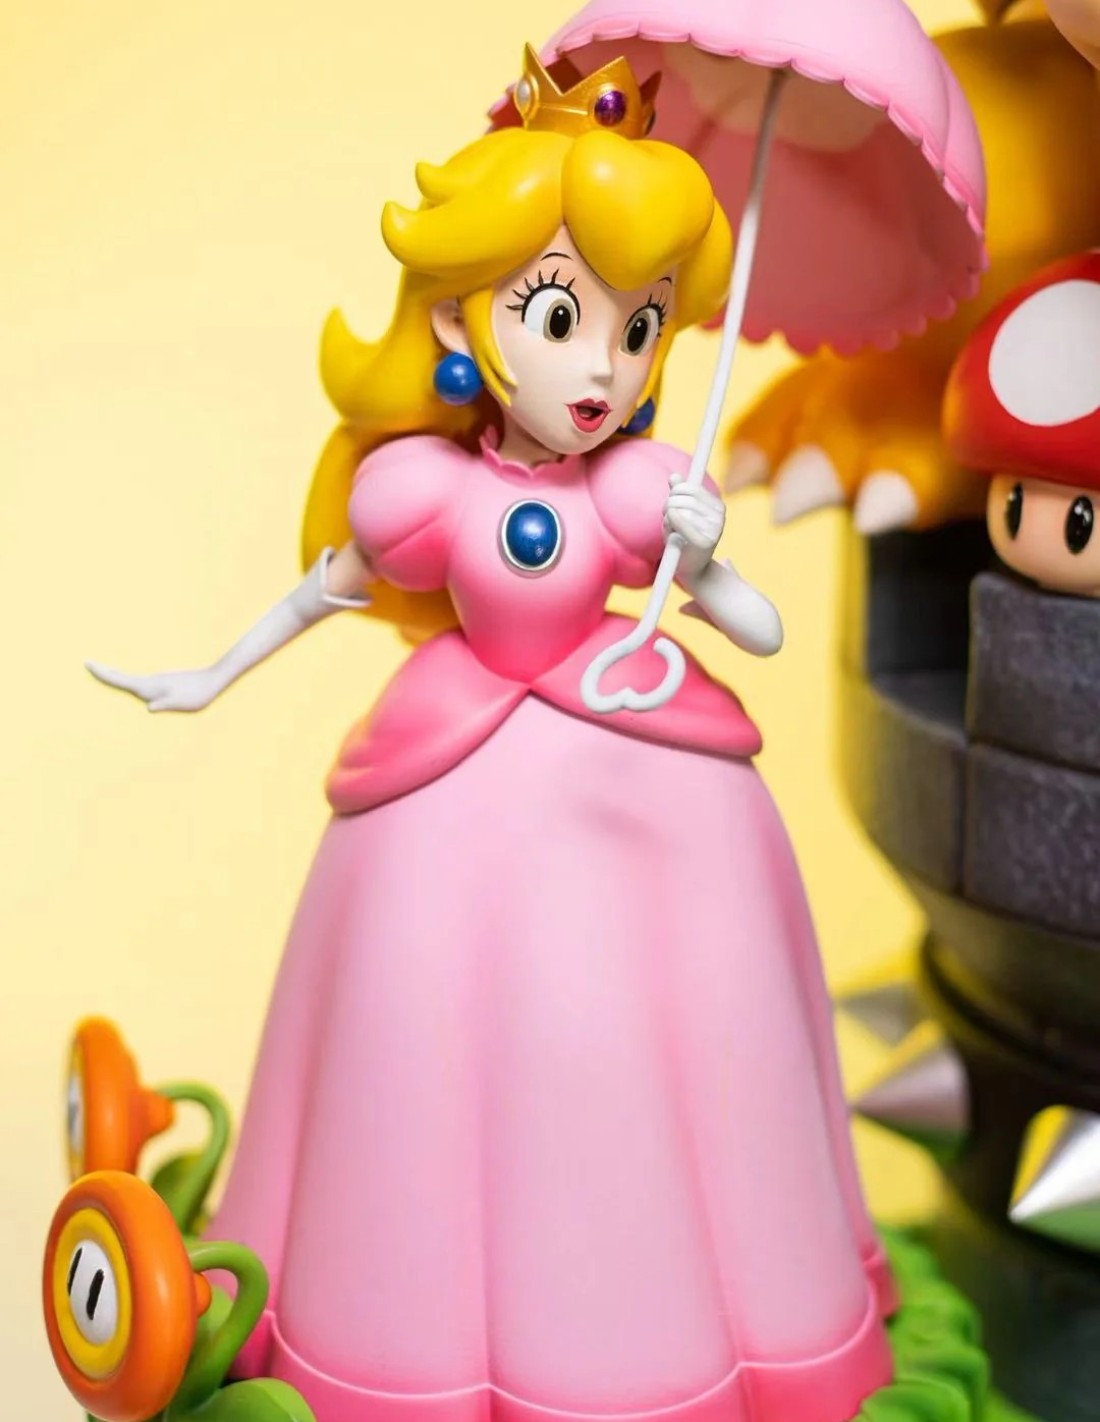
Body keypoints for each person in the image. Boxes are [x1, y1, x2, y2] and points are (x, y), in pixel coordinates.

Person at [89, 47, 894, 1422]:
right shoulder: (424, 490)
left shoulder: (640, 491)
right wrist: (205, 675)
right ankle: (391, 1335)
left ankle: (692, 1331)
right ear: (468, 316)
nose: (603, 369)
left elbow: (754, 630)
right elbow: (325, 591)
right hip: (448, 773)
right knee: (416, 1007)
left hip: (646, 770)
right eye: (561, 317)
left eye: (639, 330)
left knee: (669, 1018)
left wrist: (706, 557)